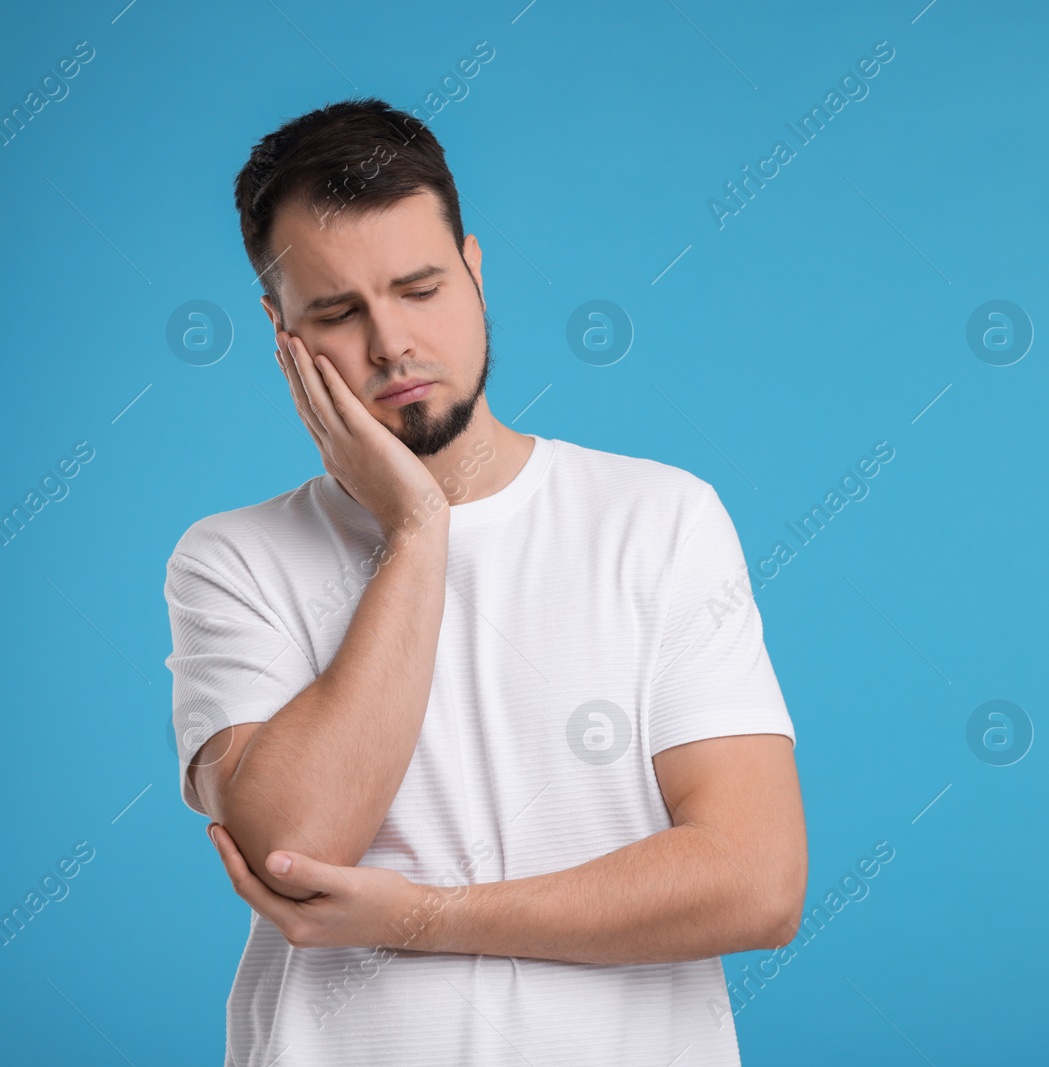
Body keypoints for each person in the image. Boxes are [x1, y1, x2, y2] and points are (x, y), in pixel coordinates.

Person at [163, 97, 806, 1066]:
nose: (390, 346)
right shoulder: (234, 556)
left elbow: (754, 881)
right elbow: (297, 842)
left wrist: (421, 915)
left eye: (419, 287)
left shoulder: (659, 517)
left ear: (473, 268)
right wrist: (417, 528)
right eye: (338, 312)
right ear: (281, 331)